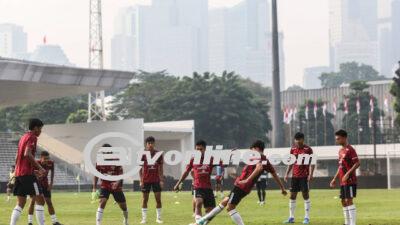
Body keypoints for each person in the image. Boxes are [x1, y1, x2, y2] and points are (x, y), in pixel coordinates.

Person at [193, 140, 287, 225]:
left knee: (230, 208)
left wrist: (247, 180)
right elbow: (274, 174)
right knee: (224, 202)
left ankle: (200, 222)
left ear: (257, 149)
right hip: (242, 186)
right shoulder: (264, 160)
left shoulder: (259, 158)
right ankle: (201, 222)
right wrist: (282, 188)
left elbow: (259, 168)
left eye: (252, 149)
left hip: (242, 186)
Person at [10, 118, 46, 225]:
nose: (40, 131)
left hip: (20, 174)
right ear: (35, 128)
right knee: (40, 200)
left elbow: (18, 157)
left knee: (21, 202)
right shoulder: (32, 137)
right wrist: (40, 168)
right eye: (40, 129)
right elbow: (27, 154)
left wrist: (19, 171)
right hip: (26, 174)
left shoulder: (23, 137)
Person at [173, 140, 220, 222]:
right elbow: (186, 172)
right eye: (197, 149)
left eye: (200, 149)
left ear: (205, 149)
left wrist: (230, 156)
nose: (198, 151)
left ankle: (201, 222)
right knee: (198, 203)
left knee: (211, 212)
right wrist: (178, 183)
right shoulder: (193, 159)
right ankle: (198, 221)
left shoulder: (211, 159)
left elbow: (224, 164)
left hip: (208, 188)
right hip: (198, 186)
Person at [93, 144, 129, 225]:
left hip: (115, 185)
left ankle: (126, 219)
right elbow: (96, 175)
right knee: (102, 201)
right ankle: (98, 223)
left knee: (123, 206)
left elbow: (121, 174)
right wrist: (94, 189)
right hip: (105, 184)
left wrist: (117, 182)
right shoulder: (99, 161)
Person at [283, 132, 315, 224]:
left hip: (304, 176)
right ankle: (291, 217)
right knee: (292, 196)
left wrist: (311, 174)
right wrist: (286, 173)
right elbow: (291, 163)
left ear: (302, 139)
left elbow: (312, 163)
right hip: (294, 176)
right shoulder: (292, 149)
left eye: (299, 140)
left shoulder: (308, 149)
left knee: (305, 195)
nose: (297, 142)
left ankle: (306, 218)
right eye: (296, 140)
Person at [330, 130, 360, 225]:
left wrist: (347, 174)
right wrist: (334, 178)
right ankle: (347, 223)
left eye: (338, 139)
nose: (337, 141)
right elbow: (340, 166)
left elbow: (357, 163)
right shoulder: (340, 151)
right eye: (336, 139)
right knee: (343, 201)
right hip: (342, 181)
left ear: (344, 138)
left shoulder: (350, 149)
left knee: (349, 200)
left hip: (350, 180)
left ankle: (352, 223)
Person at [27, 151, 63, 225]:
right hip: (36, 185)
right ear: (41, 158)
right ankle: (30, 222)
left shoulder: (51, 163)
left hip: (45, 185)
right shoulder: (36, 163)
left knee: (49, 202)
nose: (47, 160)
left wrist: (51, 183)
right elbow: (31, 172)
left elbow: (52, 172)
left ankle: (54, 221)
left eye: (48, 158)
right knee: (33, 202)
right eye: (45, 158)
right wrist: (37, 175)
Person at [140, 136, 164, 224]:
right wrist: (141, 180)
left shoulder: (158, 154)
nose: (150, 145)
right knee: (144, 200)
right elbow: (139, 168)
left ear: (154, 144)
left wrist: (161, 180)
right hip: (146, 180)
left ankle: (159, 218)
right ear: (146, 145)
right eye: (148, 143)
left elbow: (161, 168)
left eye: (152, 143)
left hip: (156, 180)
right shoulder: (142, 155)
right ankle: (144, 219)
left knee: (158, 199)